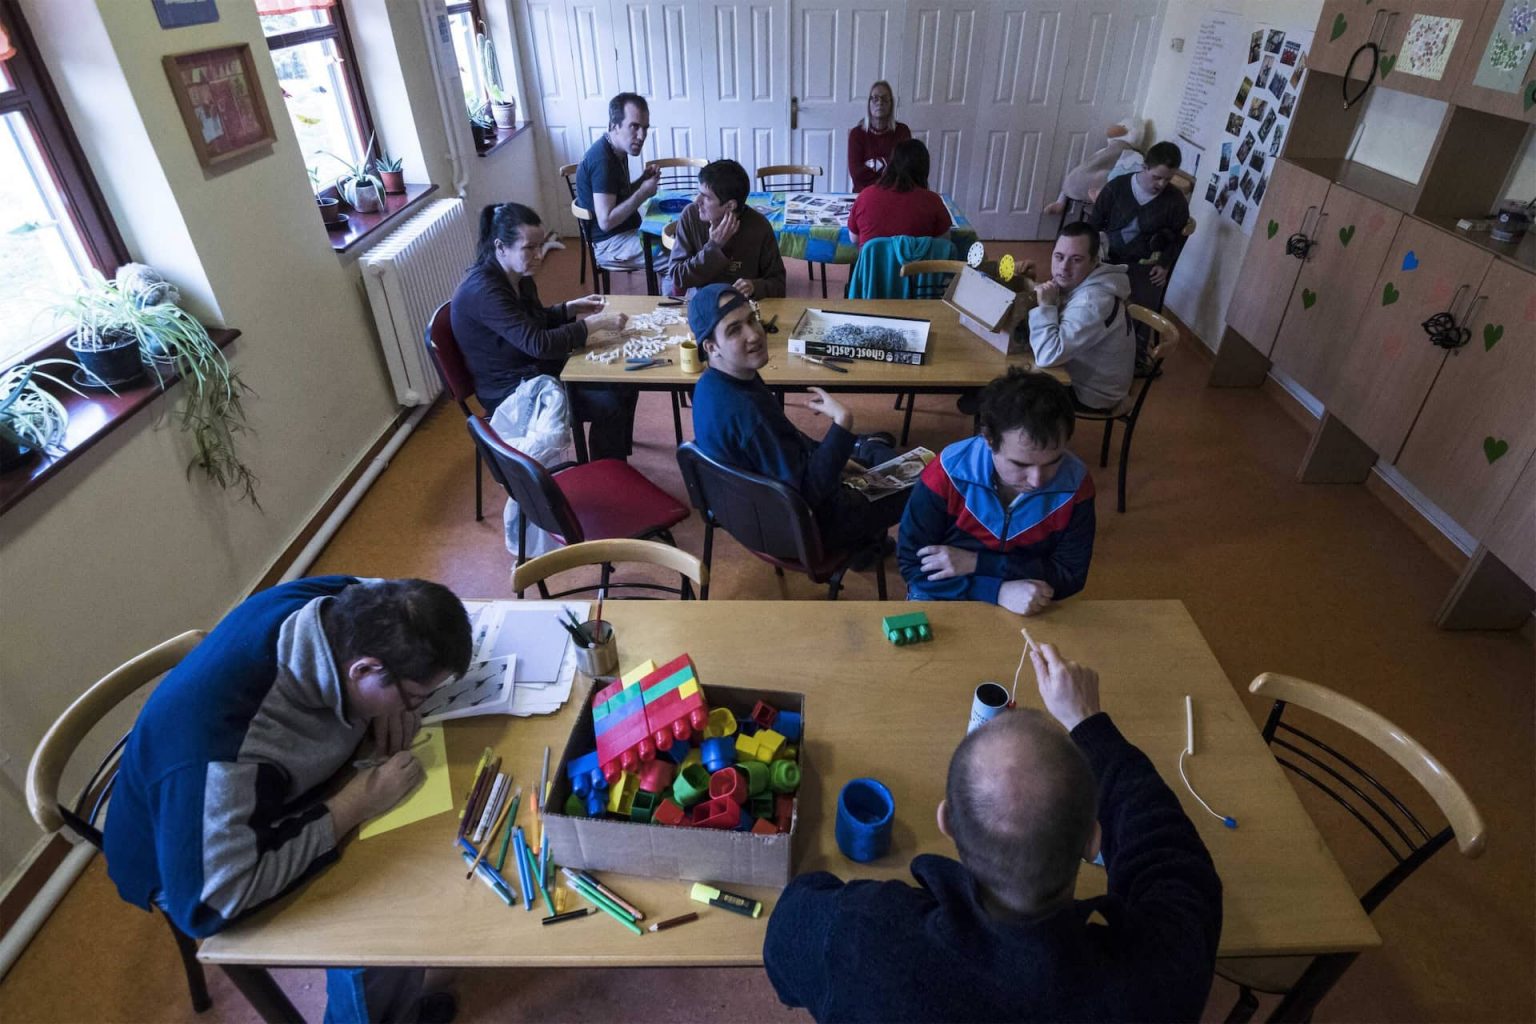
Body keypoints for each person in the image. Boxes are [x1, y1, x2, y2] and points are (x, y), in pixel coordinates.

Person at [763, 642, 1223, 1022]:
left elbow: (787, 933)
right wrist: (1088, 723)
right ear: (1093, 840)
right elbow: (1171, 857)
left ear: (946, 822)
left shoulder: (862, 935)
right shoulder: (1160, 981)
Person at [102, 576, 474, 1024]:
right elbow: (211, 901)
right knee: (372, 929)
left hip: (260, 792)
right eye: (415, 696)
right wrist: (352, 806)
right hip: (193, 862)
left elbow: (383, 591)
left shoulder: (341, 604)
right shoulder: (222, 750)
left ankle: (398, 1001)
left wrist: (392, 708)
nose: (417, 706)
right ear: (363, 670)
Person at [688, 283, 908, 553]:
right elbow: (810, 493)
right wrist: (842, 422)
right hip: (802, 529)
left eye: (752, 320)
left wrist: (836, 456)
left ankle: (866, 547)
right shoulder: (749, 415)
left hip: (751, 515)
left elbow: (785, 442)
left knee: (867, 450)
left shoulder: (709, 384)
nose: (754, 334)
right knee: (914, 479)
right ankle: (901, 559)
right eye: (734, 330)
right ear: (711, 347)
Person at [898, 368, 1094, 615]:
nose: (1037, 481)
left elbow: (1070, 575)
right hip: (947, 589)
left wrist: (978, 563)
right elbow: (912, 565)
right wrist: (995, 591)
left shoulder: (1076, 485)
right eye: (1020, 464)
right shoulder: (947, 473)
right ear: (988, 439)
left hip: (1028, 594)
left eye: (1053, 462)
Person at [451, 202, 637, 461]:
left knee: (625, 377)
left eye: (541, 245)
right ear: (500, 247)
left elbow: (532, 322)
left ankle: (614, 460)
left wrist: (570, 308)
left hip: (532, 367)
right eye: (529, 248)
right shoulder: (485, 292)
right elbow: (539, 344)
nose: (539, 255)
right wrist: (593, 324)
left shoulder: (519, 275)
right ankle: (606, 469)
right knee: (610, 404)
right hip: (512, 390)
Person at [1027, 222, 1134, 413]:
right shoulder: (1084, 280)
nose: (1064, 268)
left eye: (1076, 260)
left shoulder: (1092, 301)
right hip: (1077, 370)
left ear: (1094, 262)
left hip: (1091, 393)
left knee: (1013, 387)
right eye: (1059, 257)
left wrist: (1046, 306)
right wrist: (1028, 284)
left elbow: (1047, 355)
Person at [1084, 140, 1189, 318]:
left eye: (1168, 179)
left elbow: (1178, 237)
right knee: (1094, 303)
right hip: (1107, 257)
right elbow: (1094, 223)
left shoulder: (1175, 200)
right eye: (1157, 177)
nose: (1161, 184)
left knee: (1136, 311)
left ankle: (1136, 333)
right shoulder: (1117, 187)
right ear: (1144, 167)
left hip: (1143, 265)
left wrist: (1164, 264)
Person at [663, 158, 786, 299]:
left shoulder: (759, 226)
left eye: (706, 197)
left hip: (744, 305)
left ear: (730, 206)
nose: (697, 201)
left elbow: (779, 284)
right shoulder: (691, 215)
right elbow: (678, 277)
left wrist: (755, 286)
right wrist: (713, 247)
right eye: (699, 193)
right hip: (701, 301)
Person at [575, 92, 660, 271]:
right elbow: (606, 222)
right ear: (614, 126)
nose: (642, 135)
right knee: (676, 252)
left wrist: (642, 181)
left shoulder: (618, 149)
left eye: (645, 128)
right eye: (634, 126)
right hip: (610, 245)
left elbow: (620, 196)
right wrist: (643, 193)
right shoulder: (603, 161)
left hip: (625, 232)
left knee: (677, 236)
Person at [846, 138, 952, 246]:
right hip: (916, 258)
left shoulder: (865, 196)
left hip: (875, 257)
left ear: (891, 164)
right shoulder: (933, 201)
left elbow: (854, 238)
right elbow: (945, 241)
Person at [847, 80, 912, 192]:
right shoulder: (856, 134)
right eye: (875, 98)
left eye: (885, 98)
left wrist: (871, 164)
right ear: (868, 103)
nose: (880, 102)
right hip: (864, 194)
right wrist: (888, 163)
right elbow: (856, 174)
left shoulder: (902, 132)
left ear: (891, 103)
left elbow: (905, 170)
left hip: (894, 193)